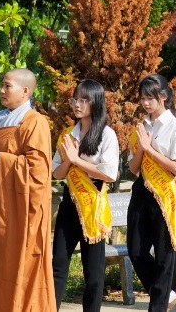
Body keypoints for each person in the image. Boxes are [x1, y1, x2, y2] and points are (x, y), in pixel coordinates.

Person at [0, 68, 56, 311]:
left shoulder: (35, 122)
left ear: (25, 91)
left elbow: (38, 170)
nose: (1, 90)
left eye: (7, 86)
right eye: (2, 85)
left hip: (22, 211)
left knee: (21, 262)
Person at [52, 80, 120, 312]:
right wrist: (69, 161)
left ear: (95, 102)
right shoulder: (67, 135)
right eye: (75, 99)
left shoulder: (106, 135)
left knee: (93, 273)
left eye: (83, 100)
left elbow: (109, 174)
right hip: (69, 204)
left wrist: (75, 160)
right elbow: (57, 173)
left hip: (93, 207)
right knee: (58, 265)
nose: (77, 105)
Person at [128, 74, 176, 312]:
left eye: (150, 98)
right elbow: (133, 168)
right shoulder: (141, 127)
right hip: (141, 190)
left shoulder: (174, 126)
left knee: (164, 255)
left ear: (163, 96)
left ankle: (158, 306)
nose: (145, 103)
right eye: (142, 98)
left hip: (165, 194)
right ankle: (168, 294)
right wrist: (141, 150)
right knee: (136, 250)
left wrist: (149, 149)